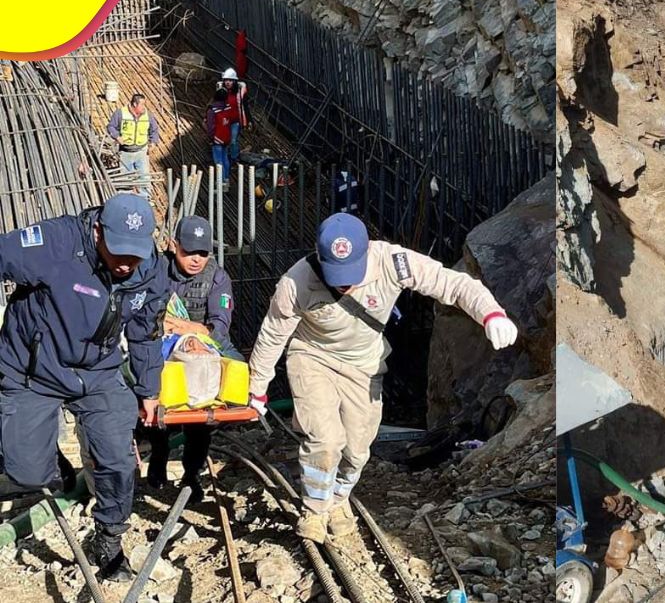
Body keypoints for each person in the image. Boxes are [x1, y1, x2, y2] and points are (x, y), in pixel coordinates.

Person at [248, 213, 519, 542]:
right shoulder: (295, 284)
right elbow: (272, 336)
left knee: (358, 447)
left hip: (363, 364)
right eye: (336, 275)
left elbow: (452, 282)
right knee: (325, 438)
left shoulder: (392, 261)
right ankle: (315, 509)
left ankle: (338, 499)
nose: (343, 283)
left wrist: (490, 312)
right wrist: (257, 389)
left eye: (350, 275)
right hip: (313, 358)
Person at [0, 194, 168, 581]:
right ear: (97, 232)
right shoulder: (56, 242)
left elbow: (145, 335)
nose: (127, 263)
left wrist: (148, 390)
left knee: (119, 460)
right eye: (118, 252)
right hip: (34, 372)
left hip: (99, 374)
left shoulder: (151, 271)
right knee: (28, 473)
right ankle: (41, 453)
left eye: (136, 254)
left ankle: (109, 538)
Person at [146, 216, 240, 502]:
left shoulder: (217, 277)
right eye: (189, 252)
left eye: (203, 253)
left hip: (202, 354)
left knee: (201, 418)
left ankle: (191, 475)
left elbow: (217, 328)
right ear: (174, 246)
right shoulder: (155, 269)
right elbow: (146, 318)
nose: (197, 259)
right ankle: (158, 456)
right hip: (161, 349)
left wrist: (182, 327)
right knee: (155, 409)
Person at [106, 94, 161, 198]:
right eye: (142, 104)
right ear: (134, 104)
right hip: (126, 152)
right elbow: (111, 127)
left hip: (141, 152)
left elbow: (154, 130)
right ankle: (126, 200)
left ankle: (145, 199)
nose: (144, 107)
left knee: (143, 178)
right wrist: (117, 136)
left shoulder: (148, 115)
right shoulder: (120, 113)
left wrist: (153, 142)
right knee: (126, 179)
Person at [216, 68, 249, 163]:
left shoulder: (239, 93)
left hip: (235, 121)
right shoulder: (221, 92)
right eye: (226, 80)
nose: (228, 82)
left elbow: (245, 107)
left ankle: (234, 158)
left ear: (234, 81)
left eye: (230, 80)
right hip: (224, 121)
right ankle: (225, 158)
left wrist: (248, 120)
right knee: (225, 140)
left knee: (233, 140)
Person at [206, 88, 238, 183]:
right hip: (226, 138)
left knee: (218, 161)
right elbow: (231, 122)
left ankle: (221, 181)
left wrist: (211, 137)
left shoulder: (212, 110)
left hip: (217, 139)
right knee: (225, 159)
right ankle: (226, 179)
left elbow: (211, 126)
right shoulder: (228, 108)